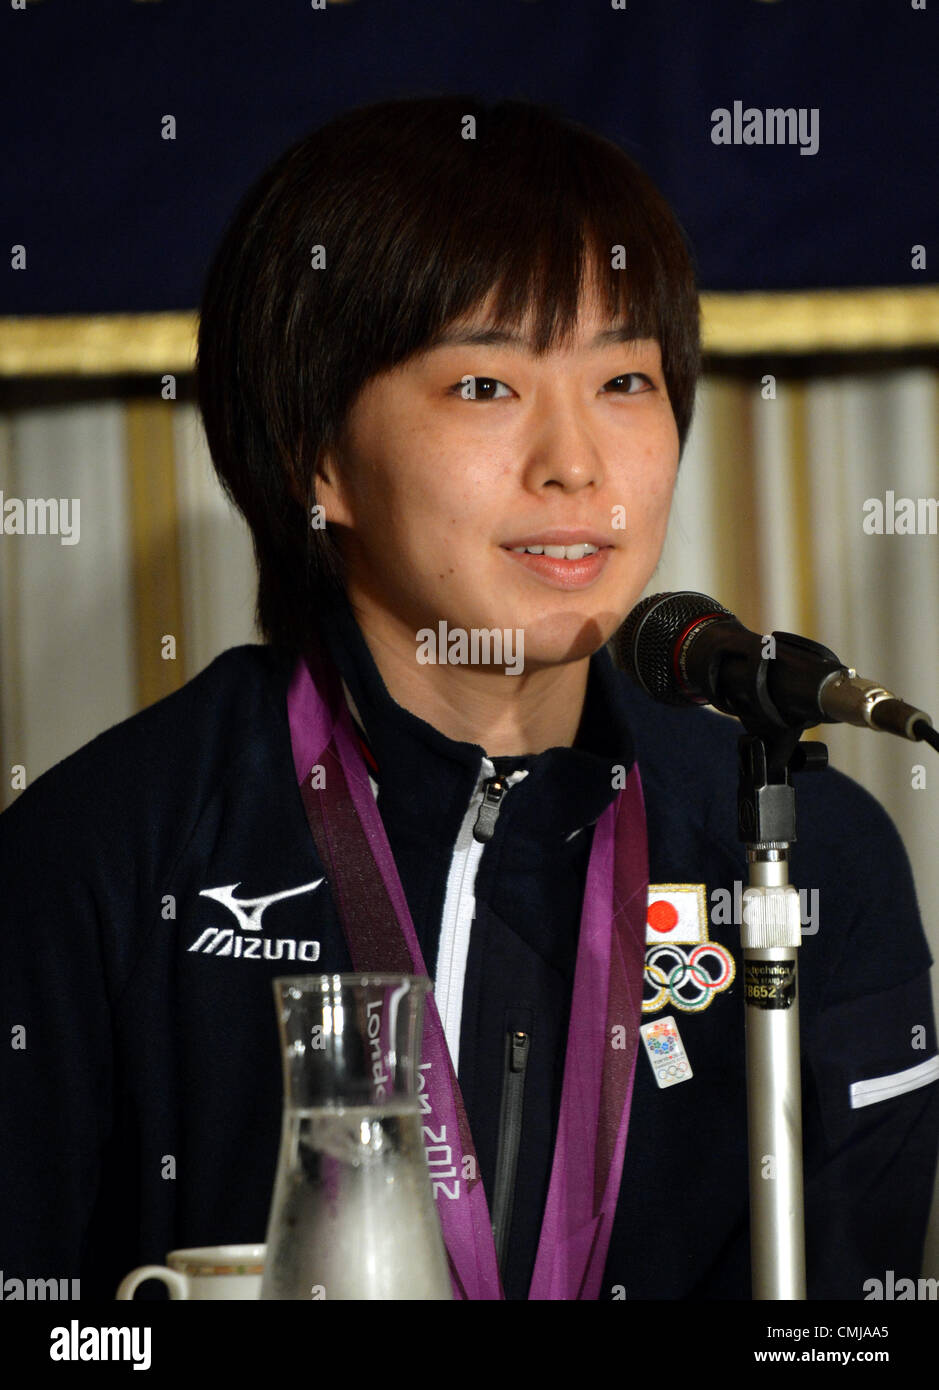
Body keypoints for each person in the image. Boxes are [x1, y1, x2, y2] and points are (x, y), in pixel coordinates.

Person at [1, 93, 937, 1302]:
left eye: (626, 381)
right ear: (315, 457)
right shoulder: (106, 852)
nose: (577, 463)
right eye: (486, 386)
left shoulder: (807, 861)